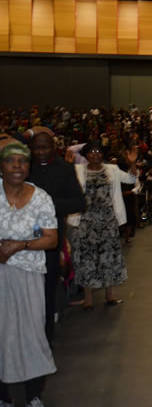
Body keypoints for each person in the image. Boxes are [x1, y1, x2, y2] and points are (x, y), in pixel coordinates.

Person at [0, 142, 58, 407]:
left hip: (29, 275)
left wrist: (20, 245)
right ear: (1, 166)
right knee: (2, 334)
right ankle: (3, 397)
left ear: (29, 167)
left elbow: (51, 239)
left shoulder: (41, 198)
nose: (16, 166)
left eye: (22, 161)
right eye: (10, 160)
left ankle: (34, 394)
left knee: (32, 333)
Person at [27, 129, 85, 343]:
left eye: (44, 147)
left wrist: (46, 204)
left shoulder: (65, 169)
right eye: (36, 148)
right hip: (24, 239)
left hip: (51, 240)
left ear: (53, 148)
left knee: (48, 289)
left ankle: (47, 338)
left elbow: (79, 203)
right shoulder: (24, 167)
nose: (40, 152)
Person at [73, 141, 138, 309]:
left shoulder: (112, 169)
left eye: (99, 151)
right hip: (85, 220)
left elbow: (131, 179)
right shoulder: (77, 170)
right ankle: (88, 298)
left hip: (108, 219)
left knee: (109, 256)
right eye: (92, 151)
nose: (96, 154)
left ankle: (110, 294)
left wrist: (132, 164)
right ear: (86, 155)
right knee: (86, 257)